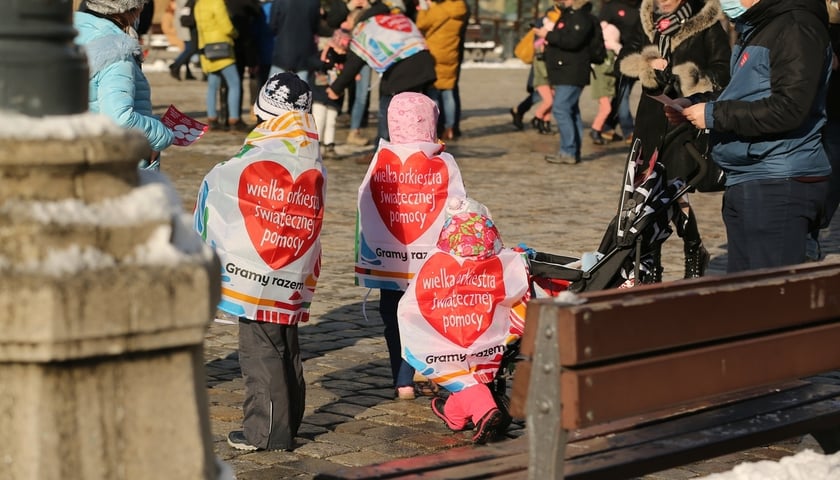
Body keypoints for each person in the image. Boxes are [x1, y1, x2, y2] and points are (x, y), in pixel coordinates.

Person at [194, 72, 325, 451]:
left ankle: (265, 432)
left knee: (260, 350)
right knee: (287, 346)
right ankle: (287, 423)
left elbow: (228, 189)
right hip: (292, 267)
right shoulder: (307, 149)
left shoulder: (267, 149)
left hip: (257, 274)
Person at [677, 0, 832, 274]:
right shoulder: (759, 27)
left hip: (777, 178)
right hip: (750, 176)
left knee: (770, 295)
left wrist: (714, 115)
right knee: (746, 293)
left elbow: (790, 108)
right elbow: (745, 93)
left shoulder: (796, 26)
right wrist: (694, 104)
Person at [354, 92, 466, 400]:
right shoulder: (443, 162)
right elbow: (457, 207)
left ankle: (401, 381)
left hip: (390, 260)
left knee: (392, 315)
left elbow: (366, 201)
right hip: (427, 261)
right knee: (425, 316)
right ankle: (425, 370)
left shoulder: (383, 159)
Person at [397, 197, 529, 444]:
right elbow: (516, 286)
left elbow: (414, 301)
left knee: (458, 372)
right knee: (467, 371)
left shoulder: (438, 260)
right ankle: (455, 416)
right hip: (489, 336)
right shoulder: (501, 258)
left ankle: (484, 412)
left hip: (449, 337)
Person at [618, 0, 730, 278]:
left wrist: (691, 79)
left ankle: (692, 248)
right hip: (650, 116)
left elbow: (723, 70)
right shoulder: (647, 21)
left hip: (685, 117)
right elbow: (624, 57)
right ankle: (651, 259)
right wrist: (646, 63)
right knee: (647, 190)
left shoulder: (705, 22)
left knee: (673, 187)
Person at [74, 0, 174, 170]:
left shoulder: (73, 34)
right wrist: (161, 135)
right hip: (117, 165)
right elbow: (120, 120)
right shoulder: (117, 51)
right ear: (131, 8)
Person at [326, 0, 436, 149]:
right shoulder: (388, 16)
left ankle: (382, 150)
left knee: (387, 105)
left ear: (355, 18)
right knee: (424, 108)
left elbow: (354, 64)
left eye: (348, 19)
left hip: (404, 69)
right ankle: (428, 143)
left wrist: (335, 89)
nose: (346, 23)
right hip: (425, 61)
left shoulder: (364, 29)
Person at [537, 0, 602, 165]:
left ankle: (568, 151)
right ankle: (572, 151)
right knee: (570, 110)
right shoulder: (570, 14)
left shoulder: (581, 17)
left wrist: (548, 35)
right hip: (565, 71)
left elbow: (573, 41)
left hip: (572, 71)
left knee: (561, 108)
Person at [811, 0, 840, 259]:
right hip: (813, 104)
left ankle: (813, 227)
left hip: (836, 108)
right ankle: (808, 233)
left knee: (832, 175)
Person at [312, 9, 362, 158]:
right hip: (320, 88)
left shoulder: (347, 59)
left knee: (332, 119)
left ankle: (329, 145)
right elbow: (315, 63)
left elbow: (351, 70)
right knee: (318, 117)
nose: (341, 49)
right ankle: (317, 146)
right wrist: (325, 60)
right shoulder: (324, 55)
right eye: (339, 44)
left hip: (337, 91)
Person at [416, 0, 468, 141]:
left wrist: (424, 8)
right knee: (448, 91)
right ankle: (450, 128)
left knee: (434, 91)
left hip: (435, 54)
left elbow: (421, 24)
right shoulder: (460, 8)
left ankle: (435, 127)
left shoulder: (439, 10)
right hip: (451, 54)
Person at [195, 0, 248, 132]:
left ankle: (212, 118)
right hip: (222, 48)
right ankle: (234, 119)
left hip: (207, 49)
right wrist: (235, 33)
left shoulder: (199, 4)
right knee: (234, 83)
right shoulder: (217, 2)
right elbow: (226, 26)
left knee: (212, 85)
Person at [600, 0, 643, 143]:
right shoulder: (611, 7)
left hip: (635, 58)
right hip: (615, 59)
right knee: (622, 94)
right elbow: (601, 31)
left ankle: (607, 127)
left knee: (621, 93)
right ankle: (628, 130)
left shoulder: (644, 6)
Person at [268, 0, 321, 84]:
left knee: (275, 91)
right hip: (305, 54)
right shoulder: (314, 2)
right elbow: (315, 26)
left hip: (282, 52)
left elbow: (272, 26)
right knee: (301, 92)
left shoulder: (279, 1)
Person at [529, 2, 562, 135]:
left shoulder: (550, 49)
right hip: (542, 80)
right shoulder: (540, 51)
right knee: (549, 101)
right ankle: (537, 117)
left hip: (550, 80)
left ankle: (545, 122)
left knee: (551, 101)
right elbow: (542, 70)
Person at [589, 21, 622, 145]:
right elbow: (605, 68)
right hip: (601, 85)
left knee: (603, 108)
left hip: (604, 85)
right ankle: (595, 129)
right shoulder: (606, 53)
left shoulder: (607, 52)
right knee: (606, 109)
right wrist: (616, 68)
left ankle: (598, 129)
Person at [170, 0, 199, 81]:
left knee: (189, 48)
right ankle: (175, 65)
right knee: (190, 48)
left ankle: (187, 71)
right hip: (186, 23)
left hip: (186, 22)